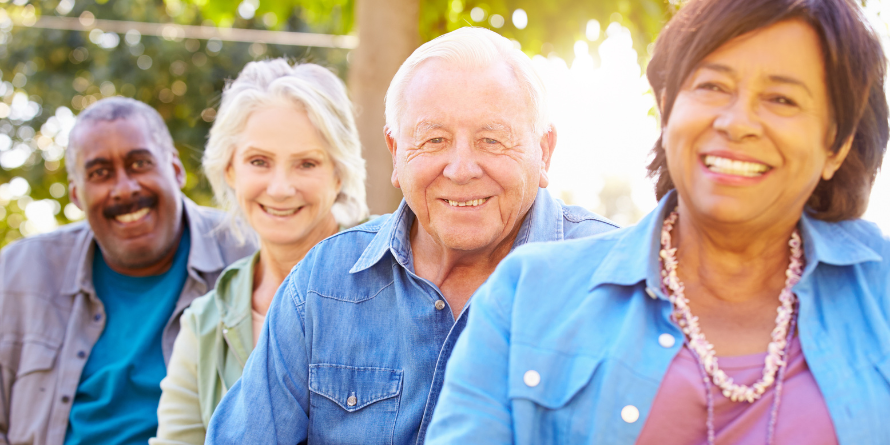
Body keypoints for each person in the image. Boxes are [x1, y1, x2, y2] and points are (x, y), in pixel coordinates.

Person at [426, 0, 890, 444]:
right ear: (666, 108)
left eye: (782, 98)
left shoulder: (880, 293)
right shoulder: (526, 296)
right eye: (713, 86)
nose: (737, 122)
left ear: (837, 144)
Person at [205, 27, 618, 444]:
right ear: (395, 152)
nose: (461, 169)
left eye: (492, 140)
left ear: (544, 151)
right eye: (434, 140)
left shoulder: (616, 280)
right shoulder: (322, 283)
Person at [0, 97, 256, 445]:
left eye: (140, 163)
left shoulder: (248, 254)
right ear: (76, 194)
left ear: (176, 170)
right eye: (100, 173)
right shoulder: (20, 272)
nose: (124, 188)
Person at [151, 59, 368, 445]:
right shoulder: (203, 325)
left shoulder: (398, 284)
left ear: (339, 173)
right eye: (259, 162)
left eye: (306, 163)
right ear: (230, 170)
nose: (280, 188)